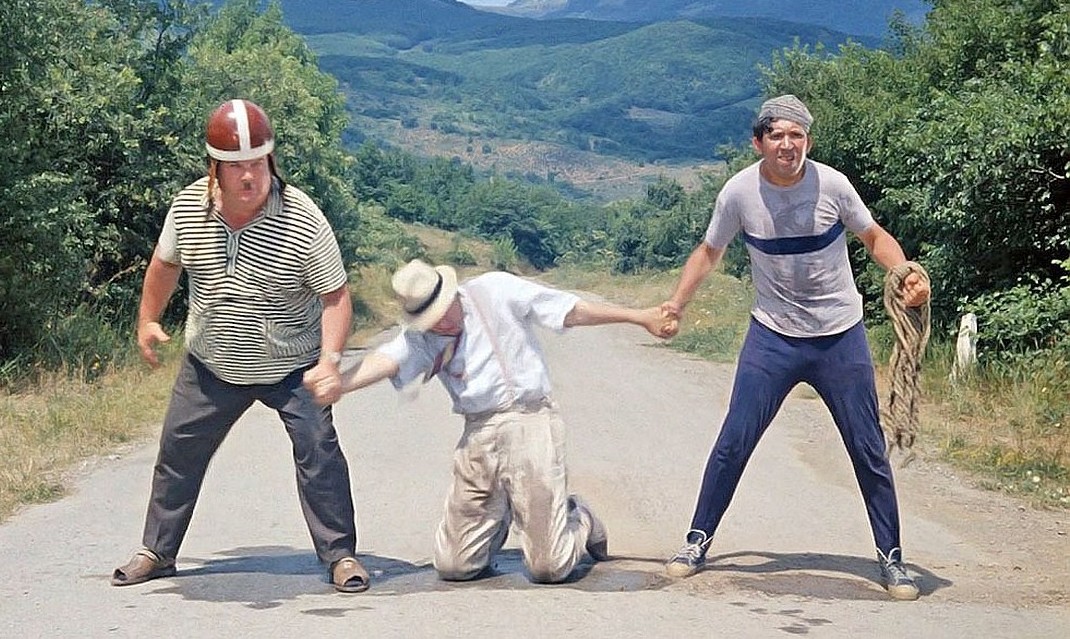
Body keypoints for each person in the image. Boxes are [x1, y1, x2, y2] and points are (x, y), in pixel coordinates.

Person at [659, 95, 931, 601]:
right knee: (734, 441)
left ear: (808, 140)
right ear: (758, 142)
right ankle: (696, 540)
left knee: (867, 447)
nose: (787, 144)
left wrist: (904, 273)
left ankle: (892, 559)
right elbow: (710, 251)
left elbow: (874, 236)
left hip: (839, 336)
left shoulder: (833, 185)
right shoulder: (739, 193)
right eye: (777, 135)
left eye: (796, 135)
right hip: (773, 337)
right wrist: (677, 303)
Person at [111, 99, 369, 593]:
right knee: (178, 451)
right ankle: (157, 552)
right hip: (211, 363)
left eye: (257, 163)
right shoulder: (188, 207)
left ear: (270, 160)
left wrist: (330, 361)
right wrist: (147, 320)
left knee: (319, 450)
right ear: (215, 168)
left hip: (291, 365)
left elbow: (335, 297)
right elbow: (165, 265)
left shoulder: (303, 218)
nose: (249, 176)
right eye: (236, 167)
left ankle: (341, 555)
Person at [304, 259, 671, 583]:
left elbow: (570, 310)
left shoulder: (495, 291)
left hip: (528, 418)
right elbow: (386, 360)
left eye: (443, 313)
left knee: (549, 567)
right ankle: (504, 513)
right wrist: (339, 383)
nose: (440, 324)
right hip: (478, 431)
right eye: (430, 321)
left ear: (452, 294)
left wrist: (639, 317)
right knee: (455, 565)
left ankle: (578, 516)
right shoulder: (423, 337)